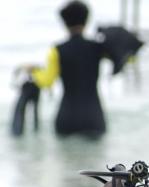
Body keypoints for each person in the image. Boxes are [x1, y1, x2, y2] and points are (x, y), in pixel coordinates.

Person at [20, 1, 106, 137]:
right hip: (93, 118)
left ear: (64, 23)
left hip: (66, 118)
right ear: (86, 20)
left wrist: (33, 71)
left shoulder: (57, 50)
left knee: (64, 158)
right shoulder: (98, 47)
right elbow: (125, 57)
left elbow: (47, 81)